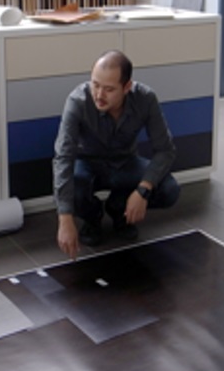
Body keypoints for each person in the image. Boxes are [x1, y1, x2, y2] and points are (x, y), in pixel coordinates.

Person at [54, 50, 180, 259]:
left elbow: (165, 150)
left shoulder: (145, 98)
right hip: (88, 164)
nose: (99, 95)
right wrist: (65, 219)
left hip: (125, 164)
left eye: (109, 89)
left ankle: (119, 209)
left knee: (169, 190)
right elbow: (63, 157)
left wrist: (143, 190)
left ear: (127, 87)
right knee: (72, 189)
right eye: (95, 84)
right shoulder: (77, 100)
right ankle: (92, 218)